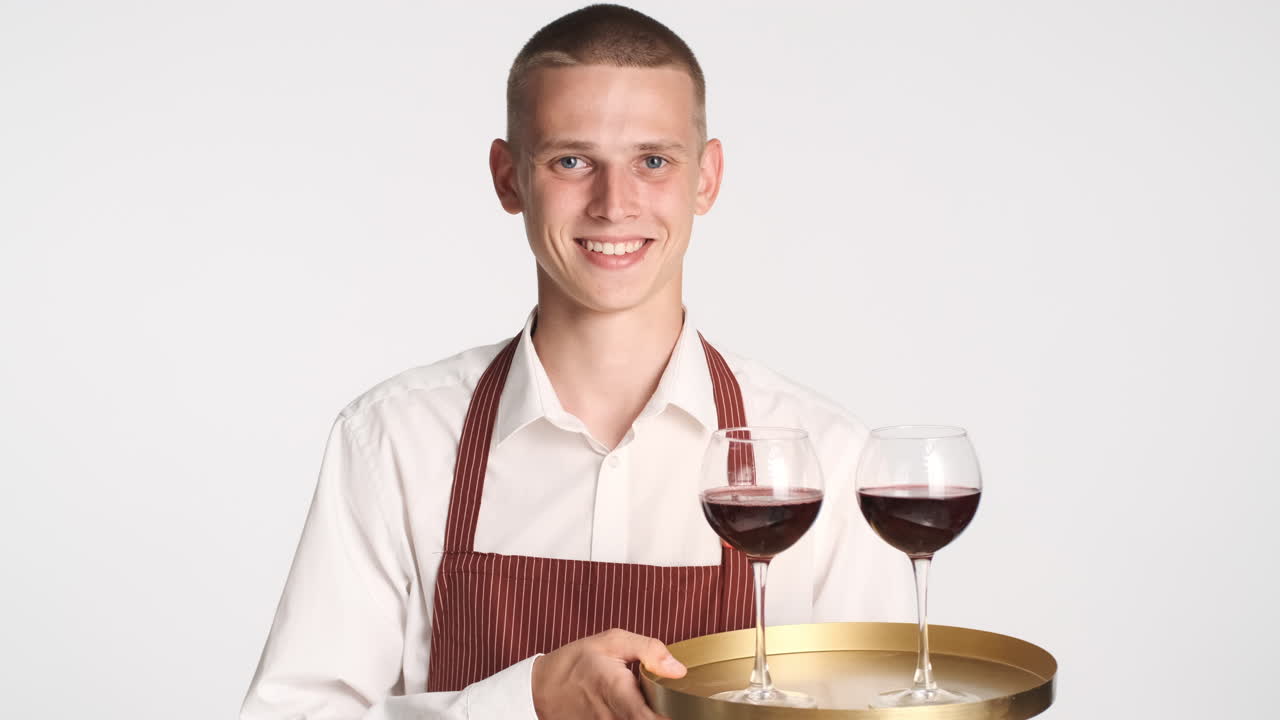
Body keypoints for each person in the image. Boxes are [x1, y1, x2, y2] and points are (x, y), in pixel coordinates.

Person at [241, 4, 907, 719]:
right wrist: (524, 701)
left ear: (707, 178)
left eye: (653, 161)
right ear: (508, 178)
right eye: (571, 161)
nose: (614, 205)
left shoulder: (830, 460)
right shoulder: (396, 440)